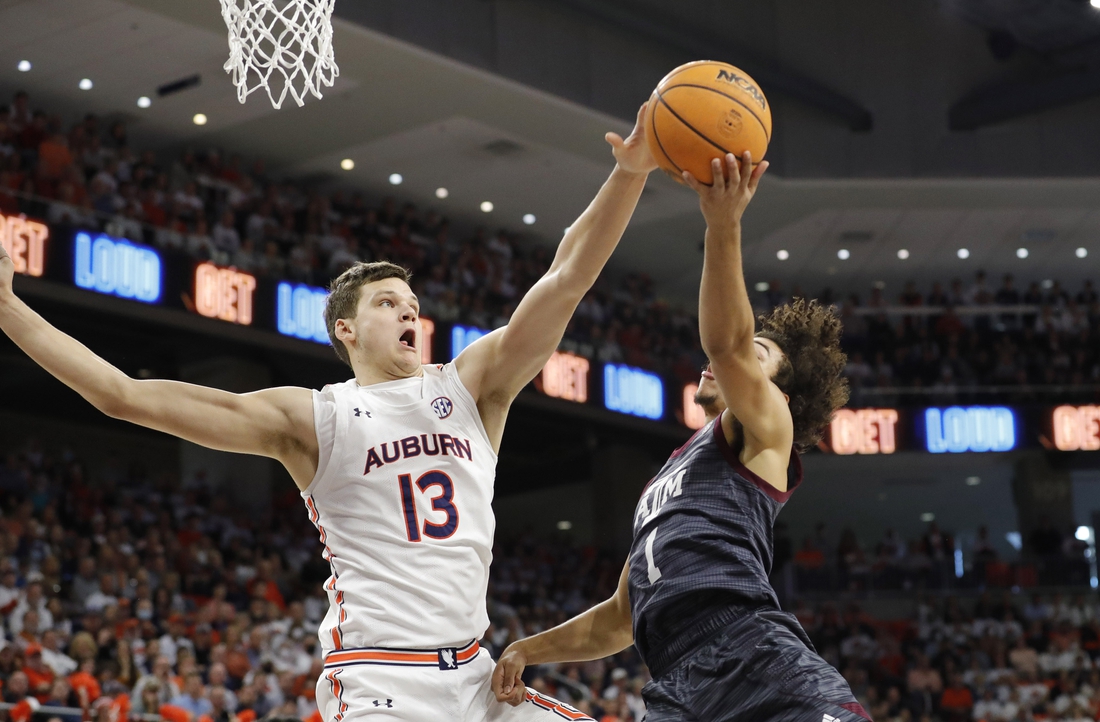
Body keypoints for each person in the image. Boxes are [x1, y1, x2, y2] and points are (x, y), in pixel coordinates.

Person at [0, 105, 658, 721]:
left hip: (476, 675)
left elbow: (567, 276)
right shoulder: (316, 417)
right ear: (345, 329)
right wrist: (8, 309)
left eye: (412, 304)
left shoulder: (472, 386)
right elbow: (122, 395)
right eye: (388, 303)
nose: (409, 311)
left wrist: (629, 174)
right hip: (381, 680)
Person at [491, 152, 860, 721]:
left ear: (779, 395)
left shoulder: (767, 428)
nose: (728, 362)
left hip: (752, 655)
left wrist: (722, 222)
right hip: (676, 683)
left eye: (758, 356)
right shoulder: (669, 476)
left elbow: (726, 345)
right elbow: (619, 616)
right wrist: (528, 648)